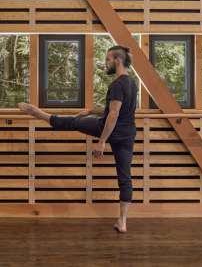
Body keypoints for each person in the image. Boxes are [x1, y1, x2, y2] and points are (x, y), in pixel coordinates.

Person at [18, 45, 137, 233]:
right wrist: (91, 111)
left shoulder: (117, 84)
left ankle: (38, 113)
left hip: (108, 129)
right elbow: (117, 110)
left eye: (108, 59)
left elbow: (113, 115)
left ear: (117, 60)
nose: (105, 63)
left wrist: (102, 141)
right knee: (125, 177)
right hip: (128, 133)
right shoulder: (131, 83)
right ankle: (122, 222)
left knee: (74, 122)